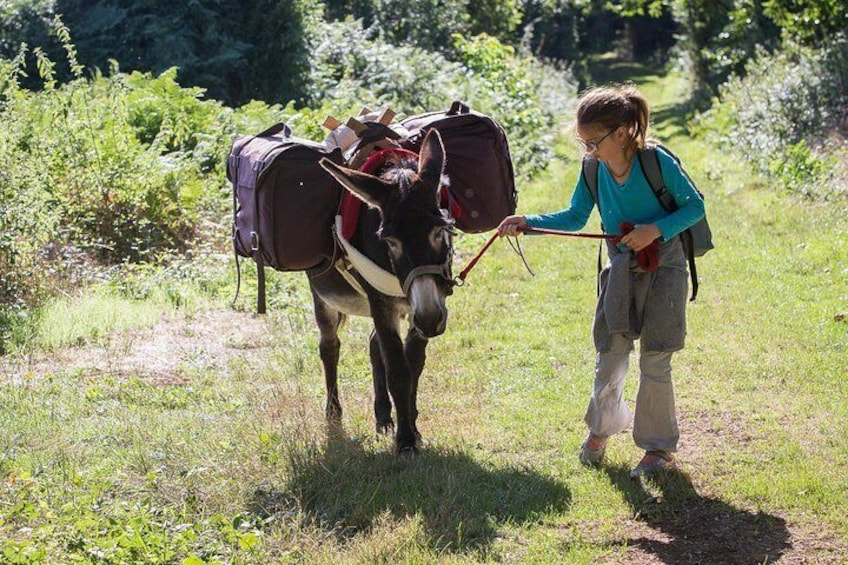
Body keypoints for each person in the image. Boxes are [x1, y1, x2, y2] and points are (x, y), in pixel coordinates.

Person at [497, 84, 705, 478]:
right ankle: (601, 428)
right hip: (621, 267)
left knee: (656, 358)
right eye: (583, 142)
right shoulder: (593, 169)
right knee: (610, 353)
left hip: (666, 265)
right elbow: (576, 216)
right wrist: (528, 223)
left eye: (594, 141)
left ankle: (658, 450)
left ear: (623, 132)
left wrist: (655, 230)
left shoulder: (655, 161)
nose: (588, 151)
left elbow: (695, 206)